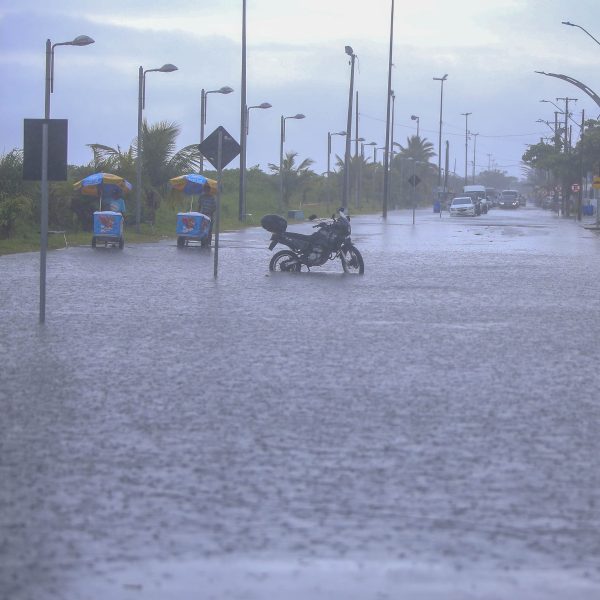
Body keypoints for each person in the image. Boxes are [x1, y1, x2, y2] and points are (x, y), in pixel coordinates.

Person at [197, 182, 216, 247]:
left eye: (207, 189)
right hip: (202, 215)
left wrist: (210, 213)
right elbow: (199, 205)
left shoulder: (212, 197)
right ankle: (203, 240)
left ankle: (208, 242)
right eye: (205, 188)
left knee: (209, 229)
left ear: (209, 190)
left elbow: (214, 207)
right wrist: (198, 213)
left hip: (209, 215)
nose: (206, 190)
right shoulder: (201, 196)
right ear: (204, 189)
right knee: (201, 228)